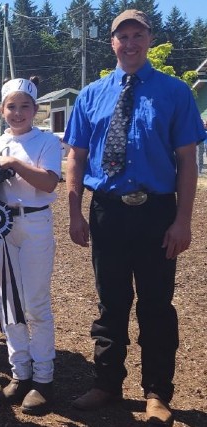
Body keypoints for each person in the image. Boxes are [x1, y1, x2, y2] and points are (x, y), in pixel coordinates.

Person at [64, 10, 206, 426]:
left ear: (149, 39)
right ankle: (107, 383)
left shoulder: (174, 92)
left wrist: (183, 220)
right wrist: (75, 213)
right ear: (112, 42)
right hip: (107, 212)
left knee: (156, 305)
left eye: (137, 35)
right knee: (110, 302)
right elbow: (76, 157)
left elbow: (187, 161)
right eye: (122, 36)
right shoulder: (91, 95)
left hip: (156, 213)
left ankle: (157, 392)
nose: (130, 43)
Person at [0, 76, 61, 415]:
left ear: (35, 109)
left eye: (25, 106)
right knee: (9, 303)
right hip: (1, 226)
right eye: (12, 106)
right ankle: (20, 372)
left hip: (35, 223)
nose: (18, 112)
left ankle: (43, 378)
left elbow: (49, 183)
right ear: (2, 110)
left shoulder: (46, 142)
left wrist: (13, 164)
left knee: (35, 303)